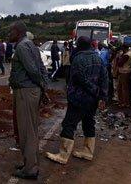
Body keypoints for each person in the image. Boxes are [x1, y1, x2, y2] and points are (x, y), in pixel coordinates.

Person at [46, 36, 108, 165]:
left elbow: (79, 78)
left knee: (69, 124)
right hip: (93, 100)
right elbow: (104, 78)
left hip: (79, 98)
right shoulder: (98, 58)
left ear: (79, 45)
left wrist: (93, 89)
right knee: (88, 123)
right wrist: (102, 96)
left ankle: (63, 155)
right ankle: (88, 152)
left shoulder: (78, 59)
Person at [8, 21, 48, 180]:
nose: (8, 34)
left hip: (26, 91)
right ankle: (29, 163)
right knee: (29, 129)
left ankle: (30, 169)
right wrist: (43, 87)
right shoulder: (30, 44)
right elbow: (41, 68)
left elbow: (33, 70)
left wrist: (41, 85)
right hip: (29, 90)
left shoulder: (22, 47)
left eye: (11, 31)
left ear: (18, 32)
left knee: (27, 131)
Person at [117, 43, 131, 108]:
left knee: (123, 88)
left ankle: (125, 103)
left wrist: (119, 58)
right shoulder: (129, 53)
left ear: (124, 48)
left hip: (124, 72)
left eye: (122, 48)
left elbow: (120, 63)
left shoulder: (126, 55)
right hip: (125, 71)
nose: (121, 49)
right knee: (122, 87)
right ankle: (123, 102)